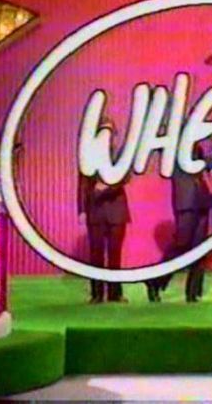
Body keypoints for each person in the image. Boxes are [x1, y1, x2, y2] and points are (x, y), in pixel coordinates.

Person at [147, 145, 212, 303]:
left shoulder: (196, 145)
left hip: (202, 198)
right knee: (182, 243)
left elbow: (206, 163)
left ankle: (193, 292)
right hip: (185, 200)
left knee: (200, 247)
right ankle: (156, 280)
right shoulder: (173, 144)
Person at [77, 119, 130, 304]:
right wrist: (82, 210)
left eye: (109, 131)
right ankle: (97, 294)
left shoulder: (120, 155)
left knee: (115, 255)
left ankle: (115, 293)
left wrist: (106, 186)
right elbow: (82, 184)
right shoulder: (88, 155)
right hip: (95, 211)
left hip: (117, 211)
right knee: (96, 255)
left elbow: (125, 177)